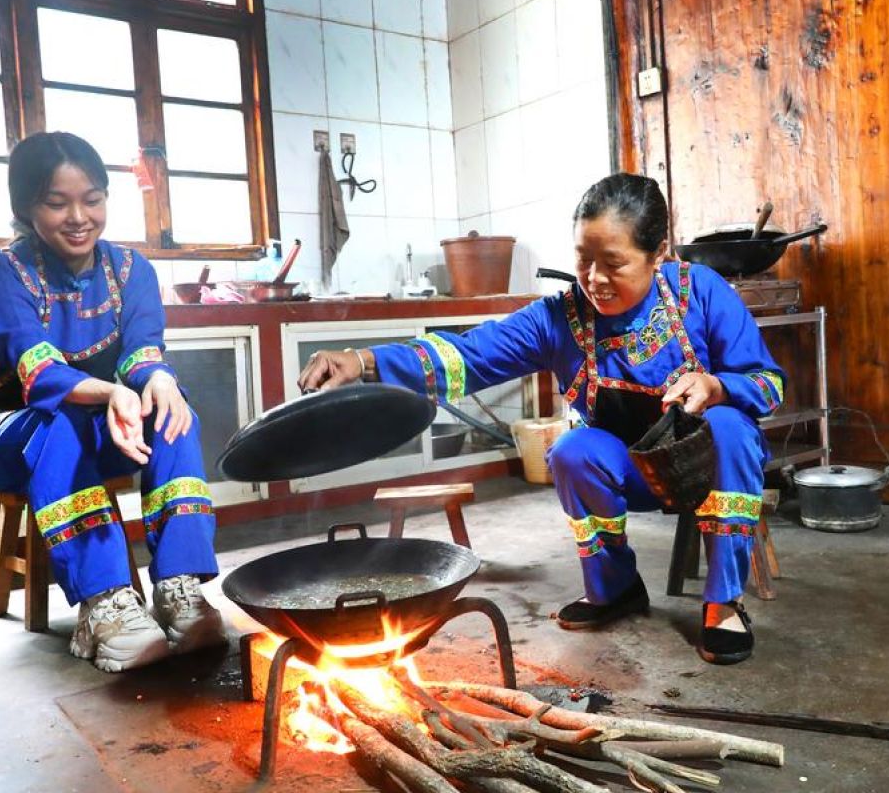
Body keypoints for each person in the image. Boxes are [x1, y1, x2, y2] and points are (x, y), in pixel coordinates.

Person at [298, 173, 785, 666]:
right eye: (583, 260)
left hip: (707, 466)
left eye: (613, 263)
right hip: (630, 472)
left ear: (659, 252)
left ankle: (723, 604)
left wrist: (718, 386)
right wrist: (364, 361)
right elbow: (467, 355)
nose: (593, 278)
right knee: (572, 450)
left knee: (731, 430)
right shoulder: (560, 317)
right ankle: (615, 589)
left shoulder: (700, 292)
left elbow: (769, 384)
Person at [0, 132, 225, 672]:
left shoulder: (131, 269)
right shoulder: (4, 273)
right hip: (14, 432)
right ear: (26, 207)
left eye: (92, 199)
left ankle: (180, 587)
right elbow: (39, 371)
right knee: (63, 421)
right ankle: (107, 603)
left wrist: (158, 379)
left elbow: (142, 350)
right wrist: (115, 392)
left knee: (172, 409)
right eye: (57, 202)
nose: (79, 217)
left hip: (108, 427)